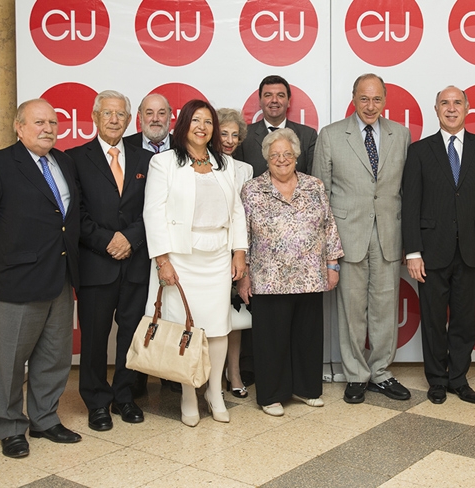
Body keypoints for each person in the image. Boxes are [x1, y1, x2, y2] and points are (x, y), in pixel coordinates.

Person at [0, 99, 82, 457]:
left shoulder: (63, 161)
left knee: (55, 355)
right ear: (19, 126)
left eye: (53, 121)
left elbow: (66, 218)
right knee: (12, 361)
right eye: (39, 122)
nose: (48, 128)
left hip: (60, 276)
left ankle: (45, 419)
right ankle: (11, 426)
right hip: (17, 280)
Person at [143, 99, 248, 426]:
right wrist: (162, 261)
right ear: (184, 125)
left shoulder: (226, 164)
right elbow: (153, 213)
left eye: (208, 121)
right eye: (195, 121)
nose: (202, 127)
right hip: (179, 258)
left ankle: (214, 392)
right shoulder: (164, 163)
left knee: (217, 330)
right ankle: (189, 393)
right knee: (185, 329)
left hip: (218, 257)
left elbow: (236, 211)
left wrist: (239, 251)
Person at [313, 74, 412, 404]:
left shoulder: (401, 134)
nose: (371, 106)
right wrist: (326, 247)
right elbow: (320, 196)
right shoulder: (330, 136)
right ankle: (355, 375)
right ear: (353, 98)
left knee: (385, 308)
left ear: (385, 100)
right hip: (346, 235)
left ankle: (381, 372)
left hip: (388, 233)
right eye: (364, 99)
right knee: (351, 310)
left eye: (377, 99)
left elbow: (406, 190)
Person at [402, 86, 475, 405]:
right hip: (431, 251)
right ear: (435, 109)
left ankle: (458, 378)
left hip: (472, 251)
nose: (451, 108)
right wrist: (413, 252)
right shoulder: (419, 151)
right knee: (432, 320)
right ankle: (436, 380)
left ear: (468, 108)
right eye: (444, 103)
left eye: (457, 102)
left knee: (462, 319)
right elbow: (410, 205)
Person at [238, 128, 343, 416]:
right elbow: (241, 234)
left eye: (287, 154)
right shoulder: (252, 189)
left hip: (310, 275)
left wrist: (333, 264)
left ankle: (307, 389)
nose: (282, 159)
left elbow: (328, 226)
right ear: (266, 159)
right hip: (268, 278)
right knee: (271, 339)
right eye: (275, 155)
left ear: (296, 156)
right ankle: (271, 394)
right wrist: (243, 275)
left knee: (307, 336)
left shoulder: (315, 186)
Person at [67, 90, 151, 431]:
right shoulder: (74, 158)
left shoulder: (145, 160)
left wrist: (130, 238)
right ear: (95, 117)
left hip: (135, 264)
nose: (114, 120)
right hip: (95, 264)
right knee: (94, 339)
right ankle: (97, 402)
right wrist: (108, 241)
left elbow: (154, 210)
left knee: (130, 335)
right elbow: (76, 214)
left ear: (130, 121)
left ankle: (124, 396)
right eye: (108, 114)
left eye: (121, 115)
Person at [123, 93, 180, 397]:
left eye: (162, 112)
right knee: (139, 314)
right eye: (149, 113)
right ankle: (135, 381)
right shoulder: (126, 146)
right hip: (135, 247)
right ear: (140, 118)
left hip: (174, 247)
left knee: (171, 310)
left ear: (171, 116)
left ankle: (172, 375)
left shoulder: (184, 147)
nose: (156, 118)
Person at [217, 107, 253, 399]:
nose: (229, 140)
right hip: (208, 251)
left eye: (234, 135)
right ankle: (210, 376)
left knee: (235, 317)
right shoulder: (196, 163)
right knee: (210, 315)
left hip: (236, 252)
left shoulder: (246, 170)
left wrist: (243, 255)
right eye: (224, 133)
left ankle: (235, 373)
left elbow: (246, 215)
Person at [234, 75, 317, 177]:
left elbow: (312, 179)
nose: (274, 100)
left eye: (280, 95)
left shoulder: (308, 136)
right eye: (268, 95)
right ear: (260, 101)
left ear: (289, 101)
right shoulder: (244, 136)